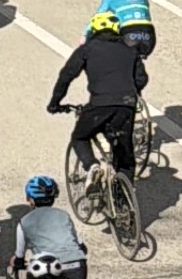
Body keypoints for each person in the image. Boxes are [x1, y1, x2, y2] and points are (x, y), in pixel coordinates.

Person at [46, 18, 148, 182]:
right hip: (126, 106)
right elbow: (141, 79)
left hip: (100, 104)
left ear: (94, 31)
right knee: (125, 158)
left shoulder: (87, 49)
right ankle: (123, 200)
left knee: (80, 137)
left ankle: (92, 166)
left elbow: (66, 75)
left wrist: (55, 102)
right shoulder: (130, 49)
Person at [12, 173, 88, 279]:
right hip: (78, 268)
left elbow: (19, 257)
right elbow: (82, 247)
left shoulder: (23, 222)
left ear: (30, 200)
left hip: (51, 271)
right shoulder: (64, 215)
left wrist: (16, 262)